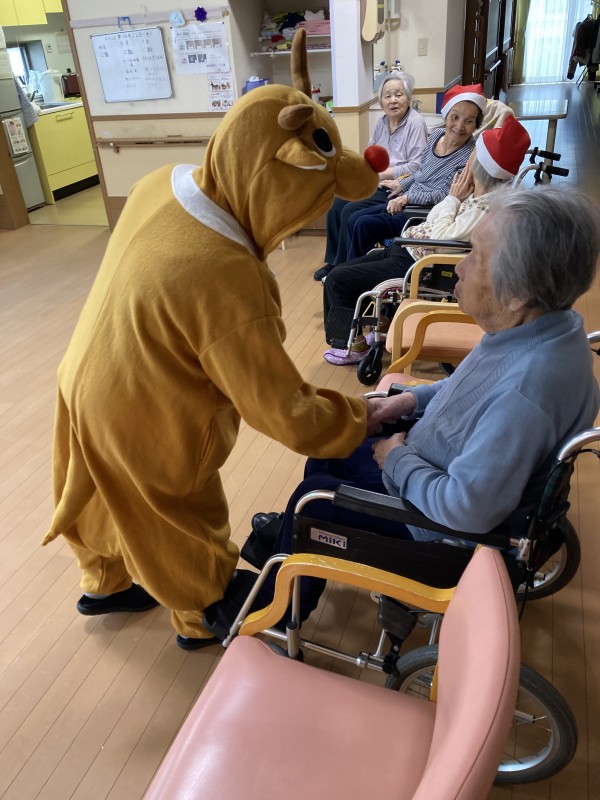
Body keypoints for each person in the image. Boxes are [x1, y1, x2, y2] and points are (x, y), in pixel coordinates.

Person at [42, 30, 395, 651]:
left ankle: (104, 583)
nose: (295, 226)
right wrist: (359, 418)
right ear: (278, 182)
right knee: (179, 510)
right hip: (144, 410)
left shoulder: (162, 180)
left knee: (98, 491)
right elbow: (284, 410)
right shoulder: (226, 276)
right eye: (306, 205)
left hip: (85, 373)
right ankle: (199, 615)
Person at [203, 185, 600, 637]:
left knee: (317, 498)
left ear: (517, 295)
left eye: (475, 255)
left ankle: (276, 611)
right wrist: (408, 400)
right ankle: (292, 540)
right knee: (334, 445)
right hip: (435, 463)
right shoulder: (540, 329)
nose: (459, 266)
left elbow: (465, 509)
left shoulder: (526, 395)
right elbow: (468, 387)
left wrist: (395, 457)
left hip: (442, 532)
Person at [322, 114, 531, 365]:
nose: (467, 163)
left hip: (417, 264)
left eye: (472, 158)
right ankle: (369, 327)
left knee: (337, 280)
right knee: (345, 270)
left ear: (480, 168)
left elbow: (441, 236)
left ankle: (350, 345)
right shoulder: (475, 196)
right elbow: (434, 218)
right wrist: (454, 199)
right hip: (409, 250)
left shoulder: (481, 209)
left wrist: (452, 199)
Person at [344, 83, 488, 262]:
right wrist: (402, 185)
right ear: (446, 115)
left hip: (424, 213)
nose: (460, 126)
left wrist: (407, 198)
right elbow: (421, 171)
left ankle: (352, 271)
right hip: (407, 200)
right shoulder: (436, 135)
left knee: (362, 224)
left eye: (469, 121)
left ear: (476, 125)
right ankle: (348, 267)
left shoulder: (469, 155)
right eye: (455, 117)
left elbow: (445, 194)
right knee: (354, 217)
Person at [314, 72, 428, 281]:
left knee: (350, 209)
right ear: (381, 101)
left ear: (408, 97)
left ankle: (344, 267)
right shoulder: (382, 123)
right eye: (387, 96)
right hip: (377, 182)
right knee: (336, 203)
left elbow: (418, 165)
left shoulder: (415, 123)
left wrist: (385, 173)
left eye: (399, 94)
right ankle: (334, 261)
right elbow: (370, 152)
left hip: (397, 186)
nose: (393, 100)